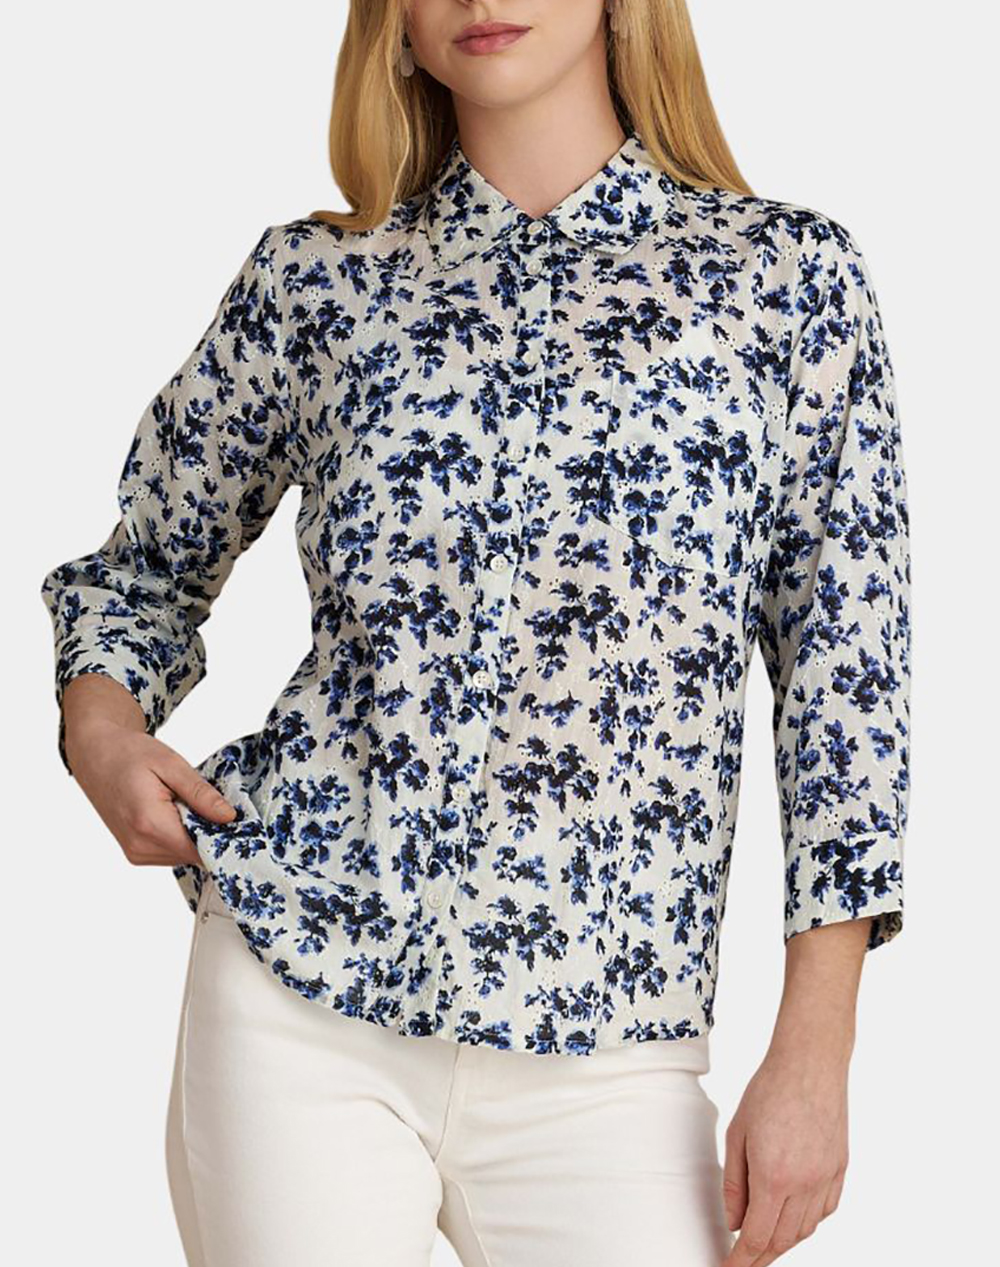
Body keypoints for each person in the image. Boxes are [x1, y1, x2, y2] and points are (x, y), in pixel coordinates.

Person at [39, 2, 911, 1265]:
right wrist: (103, 734)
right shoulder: (317, 280)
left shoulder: (783, 283)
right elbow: (143, 572)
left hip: (613, 1038)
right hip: (301, 987)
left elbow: (846, 684)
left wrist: (815, 1050)